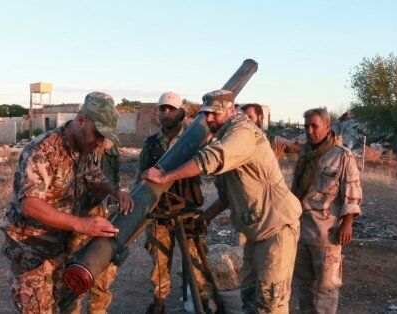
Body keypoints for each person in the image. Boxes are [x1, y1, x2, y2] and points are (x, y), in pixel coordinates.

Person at [141, 89, 302, 313]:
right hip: (256, 231)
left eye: (214, 114)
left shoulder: (243, 133)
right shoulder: (225, 136)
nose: (208, 119)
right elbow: (226, 196)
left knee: (270, 302)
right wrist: (205, 218)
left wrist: (166, 176)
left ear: (231, 110)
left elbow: (213, 158)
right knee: (249, 296)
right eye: (206, 114)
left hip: (276, 228)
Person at [1, 91, 134, 313]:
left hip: (62, 246)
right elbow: (30, 204)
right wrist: (82, 224)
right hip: (33, 248)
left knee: (65, 304)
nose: (101, 142)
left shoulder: (83, 148)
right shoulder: (42, 149)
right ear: (81, 120)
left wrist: (115, 192)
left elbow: (95, 178)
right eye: (98, 134)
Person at [139, 92, 210, 313]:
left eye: (171, 109)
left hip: (188, 209)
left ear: (181, 112)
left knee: (195, 259)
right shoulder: (150, 144)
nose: (166, 113)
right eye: (163, 109)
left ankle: (203, 301)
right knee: (159, 261)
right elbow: (141, 175)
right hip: (159, 211)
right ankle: (159, 303)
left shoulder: (194, 138)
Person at [291, 107, 362, 314]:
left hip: (326, 234)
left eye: (315, 126)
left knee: (326, 289)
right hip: (301, 232)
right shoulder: (305, 155)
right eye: (306, 127)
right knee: (304, 287)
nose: (310, 131)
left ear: (328, 127)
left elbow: (352, 191)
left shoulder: (342, 156)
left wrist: (347, 222)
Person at [66, 138, 121, 314]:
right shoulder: (75, 146)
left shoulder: (112, 148)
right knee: (73, 285)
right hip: (74, 223)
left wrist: (117, 195)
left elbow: (111, 181)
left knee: (103, 281)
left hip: (103, 217)